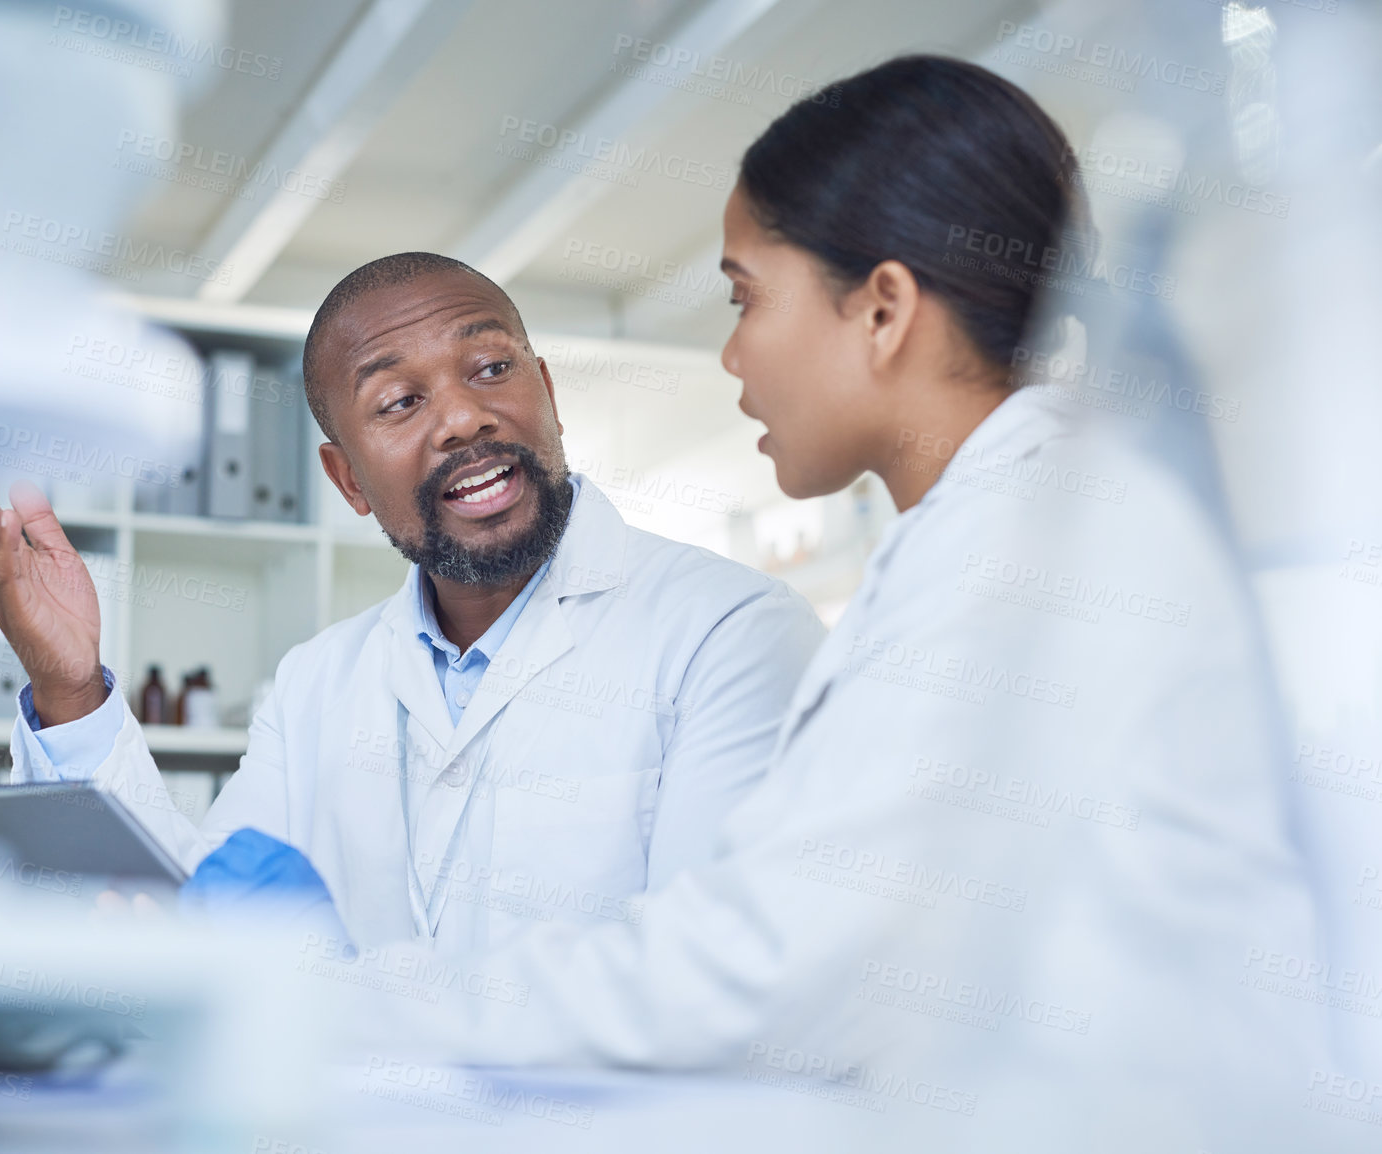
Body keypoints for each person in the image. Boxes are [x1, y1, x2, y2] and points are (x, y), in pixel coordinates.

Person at [335, 56, 1323, 1147]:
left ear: (884, 308)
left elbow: (765, 967)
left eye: (746, 296)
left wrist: (352, 1004)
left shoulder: (1023, 553)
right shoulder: (990, 533)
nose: (731, 351)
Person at [0, 253, 826, 953]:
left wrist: (351, 1004)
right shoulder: (315, 684)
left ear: (549, 396)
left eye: (491, 368)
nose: (460, 418)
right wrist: (70, 688)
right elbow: (197, 922)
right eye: (399, 401)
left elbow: (709, 973)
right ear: (348, 480)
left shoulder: (731, 633)